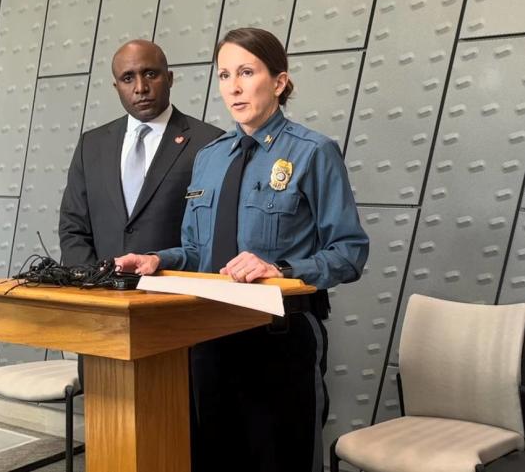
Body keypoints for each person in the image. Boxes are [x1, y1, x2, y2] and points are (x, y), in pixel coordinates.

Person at [116, 28, 369, 472]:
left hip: (280, 339)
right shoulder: (210, 158)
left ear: (279, 82)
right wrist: (159, 260)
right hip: (208, 337)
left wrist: (280, 268)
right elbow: (197, 250)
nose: (233, 86)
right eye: (224, 75)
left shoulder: (314, 153)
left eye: (247, 72)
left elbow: (350, 252)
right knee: (214, 459)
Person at [59, 39, 223, 265]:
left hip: (172, 294)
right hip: (99, 293)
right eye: (128, 78)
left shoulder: (211, 142)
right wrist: (92, 285)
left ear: (170, 78)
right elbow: (73, 227)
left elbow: (212, 236)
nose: (140, 88)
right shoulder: (92, 145)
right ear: (116, 87)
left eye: (150, 74)